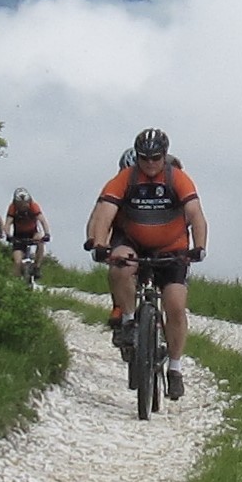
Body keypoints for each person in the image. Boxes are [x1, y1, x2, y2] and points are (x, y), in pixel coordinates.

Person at [83, 127, 208, 401]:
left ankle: (175, 369)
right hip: (133, 241)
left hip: (171, 248)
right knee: (120, 265)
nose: (150, 164)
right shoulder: (125, 179)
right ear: (137, 156)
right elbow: (104, 213)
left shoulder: (178, 179)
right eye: (144, 158)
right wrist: (101, 244)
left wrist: (199, 247)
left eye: (156, 158)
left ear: (164, 156)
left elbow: (196, 214)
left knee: (175, 306)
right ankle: (128, 319)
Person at [6, 186, 50, 281]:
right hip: (18, 235)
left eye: (25, 203)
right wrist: (8, 235)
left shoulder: (34, 206)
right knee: (17, 262)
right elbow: (8, 223)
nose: (23, 206)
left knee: (40, 241)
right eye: (20, 204)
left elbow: (42, 221)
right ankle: (16, 283)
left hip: (32, 232)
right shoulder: (12, 208)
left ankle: (37, 267)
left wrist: (47, 233)